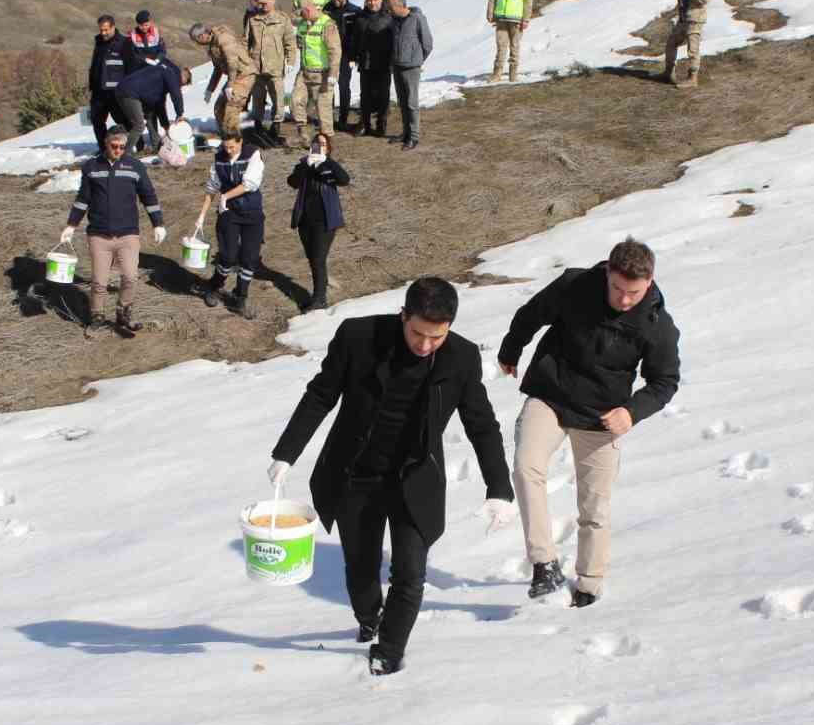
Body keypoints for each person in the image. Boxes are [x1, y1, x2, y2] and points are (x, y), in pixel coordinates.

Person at [269, 278, 516, 676]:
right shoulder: (358, 337)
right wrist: (286, 453)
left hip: (414, 481)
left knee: (410, 575)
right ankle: (369, 618)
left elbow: (482, 425)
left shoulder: (461, 358)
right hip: (356, 476)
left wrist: (499, 488)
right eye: (417, 333)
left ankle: (389, 651)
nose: (424, 345)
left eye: (436, 337)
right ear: (403, 316)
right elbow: (321, 395)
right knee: (361, 572)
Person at [496, 238, 680, 606]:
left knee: (594, 508)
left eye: (634, 292)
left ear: (650, 282)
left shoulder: (657, 325)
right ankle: (544, 563)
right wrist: (510, 349)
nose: (624, 299)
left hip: (602, 417)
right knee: (525, 466)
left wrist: (631, 411)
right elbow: (532, 313)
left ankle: (589, 583)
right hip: (551, 394)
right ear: (607, 273)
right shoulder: (575, 285)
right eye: (617, 288)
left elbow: (665, 381)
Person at [57, 127, 168, 339]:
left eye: (123, 147)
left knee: (130, 276)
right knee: (99, 281)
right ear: (105, 144)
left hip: (128, 234)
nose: (118, 150)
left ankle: (123, 313)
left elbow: (149, 196)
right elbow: (83, 199)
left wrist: (158, 223)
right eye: (114, 146)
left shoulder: (135, 166)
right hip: (99, 235)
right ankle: (97, 317)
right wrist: (71, 225)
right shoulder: (91, 167)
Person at [192, 131, 266, 318]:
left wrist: (226, 196)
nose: (229, 150)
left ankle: (240, 296)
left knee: (249, 258)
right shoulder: (219, 159)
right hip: (229, 213)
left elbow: (250, 184)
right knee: (228, 255)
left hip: (252, 213)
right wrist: (201, 216)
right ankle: (215, 286)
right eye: (226, 147)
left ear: (241, 142)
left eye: (232, 146)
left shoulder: (253, 155)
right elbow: (211, 189)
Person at [286, 133, 349, 312]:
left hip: (326, 221)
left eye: (323, 144)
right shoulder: (304, 164)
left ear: (328, 148)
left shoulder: (329, 165)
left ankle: (319, 298)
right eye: (316, 143)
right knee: (312, 258)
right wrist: (306, 164)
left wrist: (326, 162)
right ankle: (321, 287)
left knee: (318, 258)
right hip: (305, 220)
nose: (319, 146)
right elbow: (292, 182)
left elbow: (345, 179)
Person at [245, 0, 296, 144]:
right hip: (256, 67)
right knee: (257, 100)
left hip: (276, 67)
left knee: (278, 100)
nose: (262, 6)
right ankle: (258, 128)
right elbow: (245, 42)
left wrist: (291, 61)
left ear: (273, 1)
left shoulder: (282, 19)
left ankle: (276, 128)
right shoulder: (253, 19)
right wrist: (246, 63)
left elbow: (290, 43)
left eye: (265, 3)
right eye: (260, 3)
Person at [191, 21, 257, 138]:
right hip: (235, 76)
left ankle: (235, 141)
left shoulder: (223, 39)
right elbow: (218, 69)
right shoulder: (212, 46)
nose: (197, 44)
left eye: (197, 40)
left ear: (202, 36)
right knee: (219, 108)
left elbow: (233, 64)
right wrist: (210, 90)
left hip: (245, 74)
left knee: (231, 108)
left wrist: (230, 85)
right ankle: (226, 137)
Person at [659, 0, 714, 89]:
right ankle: (668, 72)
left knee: (692, 50)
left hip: (696, 19)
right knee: (671, 43)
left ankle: (692, 78)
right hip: (685, 18)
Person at [113, 51, 187, 155]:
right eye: (183, 84)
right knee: (139, 125)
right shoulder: (171, 74)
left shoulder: (163, 74)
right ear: (183, 77)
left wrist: (165, 125)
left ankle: (156, 147)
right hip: (128, 92)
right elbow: (176, 94)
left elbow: (160, 106)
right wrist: (180, 113)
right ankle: (124, 155)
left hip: (130, 90)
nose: (181, 86)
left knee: (149, 116)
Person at [290, 2, 342, 144]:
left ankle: (327, 143)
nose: (301, 17)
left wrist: (333, 73)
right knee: (295, 101)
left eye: (303, 13)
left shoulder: (327, 25)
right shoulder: (304, 24)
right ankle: (303, 134)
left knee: (323, 110)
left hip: (323, 74)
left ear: (309, 10)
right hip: (305, 72)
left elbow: (335, 51)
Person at [387, 0, 433, 151]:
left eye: (391, 7)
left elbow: (427, 43)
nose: (388, 10)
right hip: (397, 65)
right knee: (402, 101)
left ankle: (414, 137)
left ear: (400, 5)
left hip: (412, 67)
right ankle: (405, 132)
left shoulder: (417, 18)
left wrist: (417, 60)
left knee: (412, 103)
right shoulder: (393, 21)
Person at [486, 0, 534, 83]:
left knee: (515, 46)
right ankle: (497, 73)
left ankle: (513, 74)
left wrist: (526, 18)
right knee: (501, 46)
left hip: (517, 18)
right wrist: (490, 12)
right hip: (501, 17)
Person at [352, 0, 395, 138]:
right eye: (369, 0)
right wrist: (353, 57)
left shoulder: (389, 17)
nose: (372, 3)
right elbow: (355, 39)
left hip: (383, 63)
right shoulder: (361, 17)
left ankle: (381, 125)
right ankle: (365, 124)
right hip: (366, 63)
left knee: (383, 95)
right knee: (365, 96)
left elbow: (394, 41)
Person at [323, 0, 361, 131]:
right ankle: (329, 119)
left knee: (344, 86)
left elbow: (358, 35)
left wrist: (354, 56)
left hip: (346, 54)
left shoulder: (354, 11)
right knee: (328, 87)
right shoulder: (327, 10)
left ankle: (343, 119)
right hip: (329, 54)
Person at [87, 15, 124, 149]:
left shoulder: (123, 43)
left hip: (115, 92)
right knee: (97, 121)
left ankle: (135, 144)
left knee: (123, 121)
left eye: (106, 30)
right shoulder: (99, 42)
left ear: (113, 27)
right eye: (101, 30)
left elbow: (129, 67)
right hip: (98, 91)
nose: (103, 33)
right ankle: (103, 149)